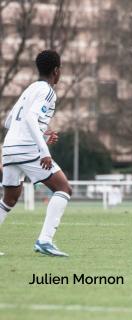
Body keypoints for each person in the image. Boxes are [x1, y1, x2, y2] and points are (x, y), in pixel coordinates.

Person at [0, 50, 72, 257]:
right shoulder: (48, 91)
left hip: (10, 149)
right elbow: (31, 119)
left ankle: (44, 241)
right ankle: (45, 240)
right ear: (56, 71)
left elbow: (8, 122)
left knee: (10, 198)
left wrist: (41, 135)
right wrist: (44, 150)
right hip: (26, 148)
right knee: (64, 188)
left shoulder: (29, 89)